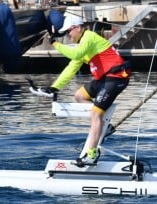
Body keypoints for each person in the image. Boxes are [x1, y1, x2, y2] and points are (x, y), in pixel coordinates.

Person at [33, 14, 131, 166]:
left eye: (68, 32)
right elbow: (71, 67)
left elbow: (76, 54)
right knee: (79, 95)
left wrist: (55, 43)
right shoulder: (83, 45)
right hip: (104, 79)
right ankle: (106, 126)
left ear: (78, 28)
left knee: (95, 113)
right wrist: (54, 87)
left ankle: (92, 155)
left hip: (116, 77)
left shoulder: (89, 38)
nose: (67, 35)